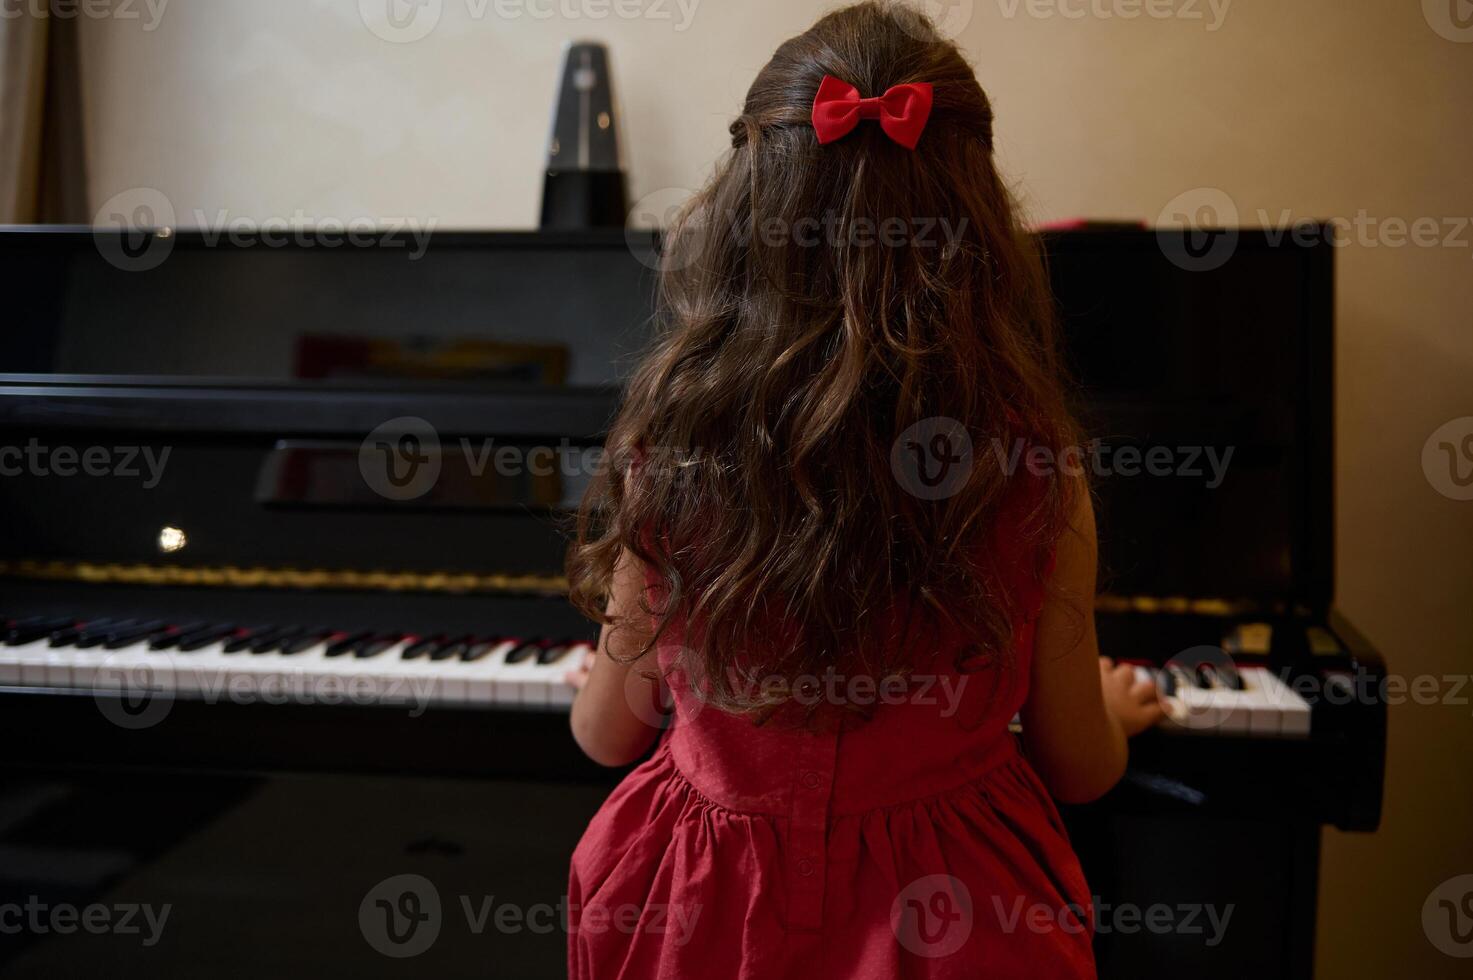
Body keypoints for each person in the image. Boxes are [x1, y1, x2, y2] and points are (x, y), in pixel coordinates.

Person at [562, 3, 1162, 976]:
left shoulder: (675, 445)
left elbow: (604, 732)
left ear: (745, 208)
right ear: (975, 225)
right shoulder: (1032, 463)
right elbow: (1080, 767)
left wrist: (634, 675)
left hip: (708, 912)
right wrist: (1114, 713)